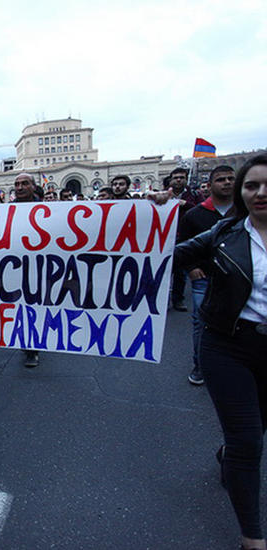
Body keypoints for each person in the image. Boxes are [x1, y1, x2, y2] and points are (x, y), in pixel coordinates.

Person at [173, 153, 267, 550]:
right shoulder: (222, 234)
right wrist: (152, 221)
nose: (261, 193)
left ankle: (229, 452)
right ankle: (253, 538)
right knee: (250, 443)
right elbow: (164, 258)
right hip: (228, 344)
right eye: (252, 186)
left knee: (253, 428)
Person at [176, 165, 236, 386]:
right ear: (210, 186)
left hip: (237, 279)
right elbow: (182, 245)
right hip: (203, 279)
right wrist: (191, 268)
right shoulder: (195, 214)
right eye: (221, 180)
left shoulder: (245, 212)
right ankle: (200, 366)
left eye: (231, 178)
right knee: (202, 324)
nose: (227, 183)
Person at [11, 173, 42, 367]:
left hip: (39, 267)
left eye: (25, 183)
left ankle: (33, 348)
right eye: (17, 184)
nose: (20, 187)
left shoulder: (48, 209)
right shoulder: (5, 211)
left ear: (33, 186)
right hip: (15, 266)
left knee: (34, 306)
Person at [167, 167, 203, 311]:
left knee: (180, 273)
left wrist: (185, 204)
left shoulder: (194, 194)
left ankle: (178, 300)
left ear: (186, 179)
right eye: (176, 177)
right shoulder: (164, 194)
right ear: (171, 179)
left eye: (181, 177)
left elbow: (201, 210)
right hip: (166, 238)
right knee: (163, 272)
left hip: (184, 238)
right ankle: (161, 301)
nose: (178, 180)